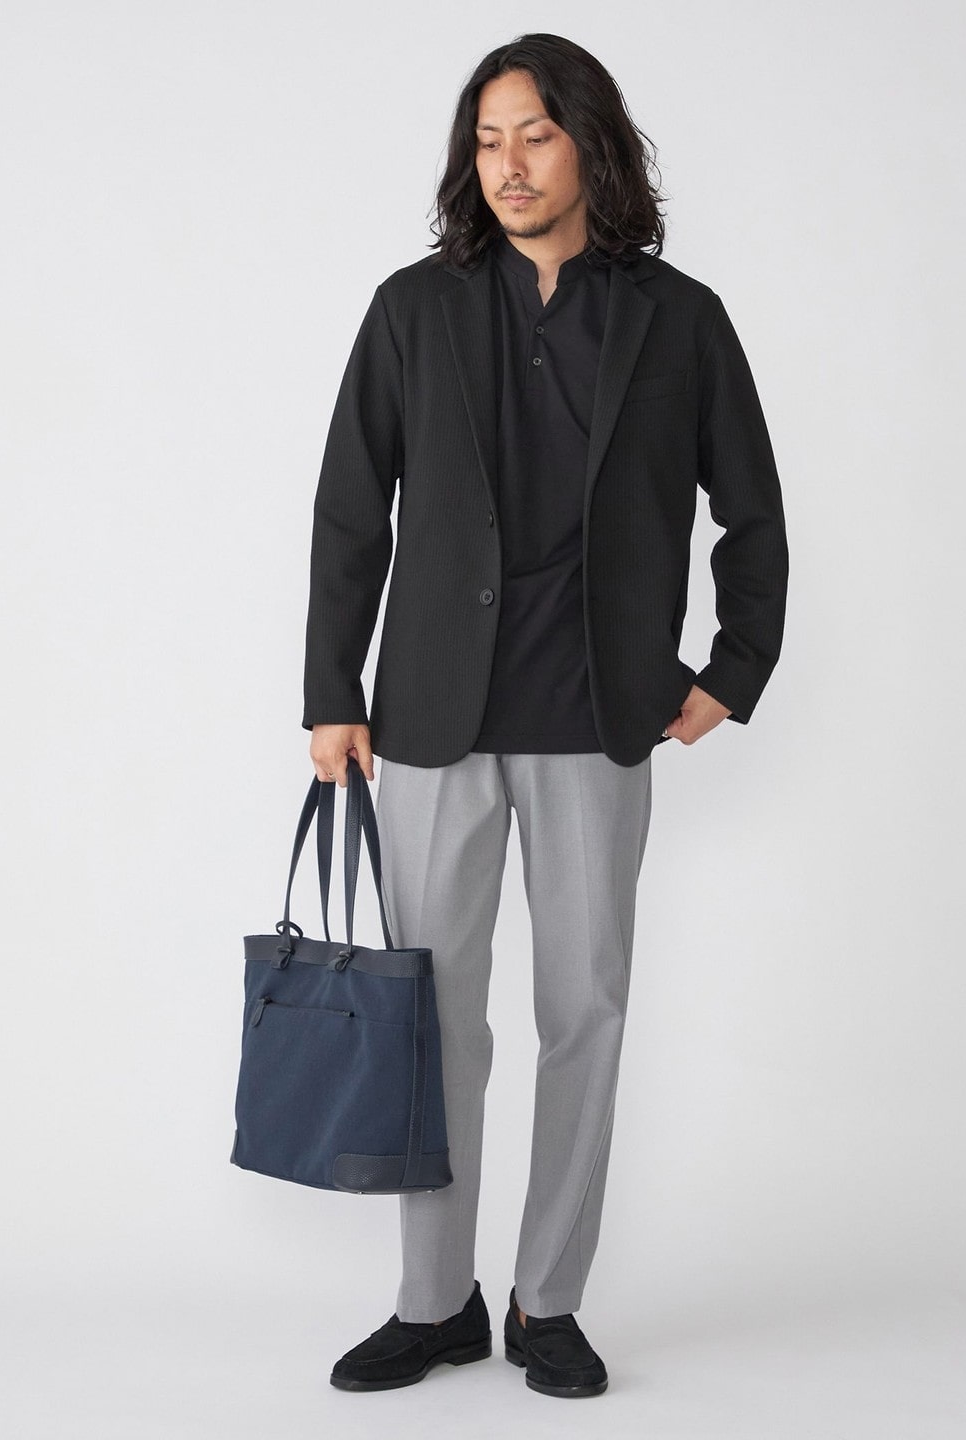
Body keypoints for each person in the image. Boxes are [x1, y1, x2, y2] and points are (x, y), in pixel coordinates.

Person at [303, 32, 788, 1399]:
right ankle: (434, 1301)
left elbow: (752, 507)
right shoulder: (413, 309)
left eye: (534, 136)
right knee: (433, 1018)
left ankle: (548, 1301)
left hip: (596, 712)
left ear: (589, 143)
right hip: (432, 718)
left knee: (585, 1010)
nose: (507, 165)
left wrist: (733, 670)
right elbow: (351, 506)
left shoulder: (678, 318)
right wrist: (331, 693)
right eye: (487, 140)